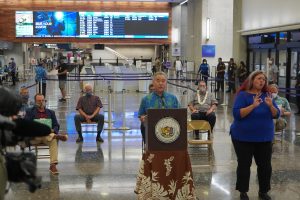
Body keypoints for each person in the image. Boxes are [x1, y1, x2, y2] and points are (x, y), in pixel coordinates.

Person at [230, 70, 280, 200]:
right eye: (259, 78)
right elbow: (237, 115)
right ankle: (243, 191)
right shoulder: (243, 95)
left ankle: (263, 191)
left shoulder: (267, 95)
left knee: (265, 166)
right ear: (252, 80)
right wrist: (252, 106)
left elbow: (277, 114)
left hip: (264, 138)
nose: (261, 81)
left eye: (263, 79)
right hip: (243, 138)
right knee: (244, 165)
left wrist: (270, 106)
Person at [25, 93, 68, 175]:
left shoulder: (50, 112)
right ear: (35, 101)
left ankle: (53, 165)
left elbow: (56, 125)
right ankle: (56, 136)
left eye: (42, 100)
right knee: (52, 136)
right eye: (39, 101)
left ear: (45, 101)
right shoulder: (30, 111)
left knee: (53, 139)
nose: (41, 102)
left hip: (47, 137)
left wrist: (53, 130)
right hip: (35, 137)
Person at [138, 72, 180, 145]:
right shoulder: (146, 99)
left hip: (170, 130)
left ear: (166, 83)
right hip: (152, 130)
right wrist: (143, 118)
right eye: (158, 81)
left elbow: (180, 114)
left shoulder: (173, 98)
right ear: (153, 82)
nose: (160, 83)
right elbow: (141, 115)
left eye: (163, 81)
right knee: (143, 126)